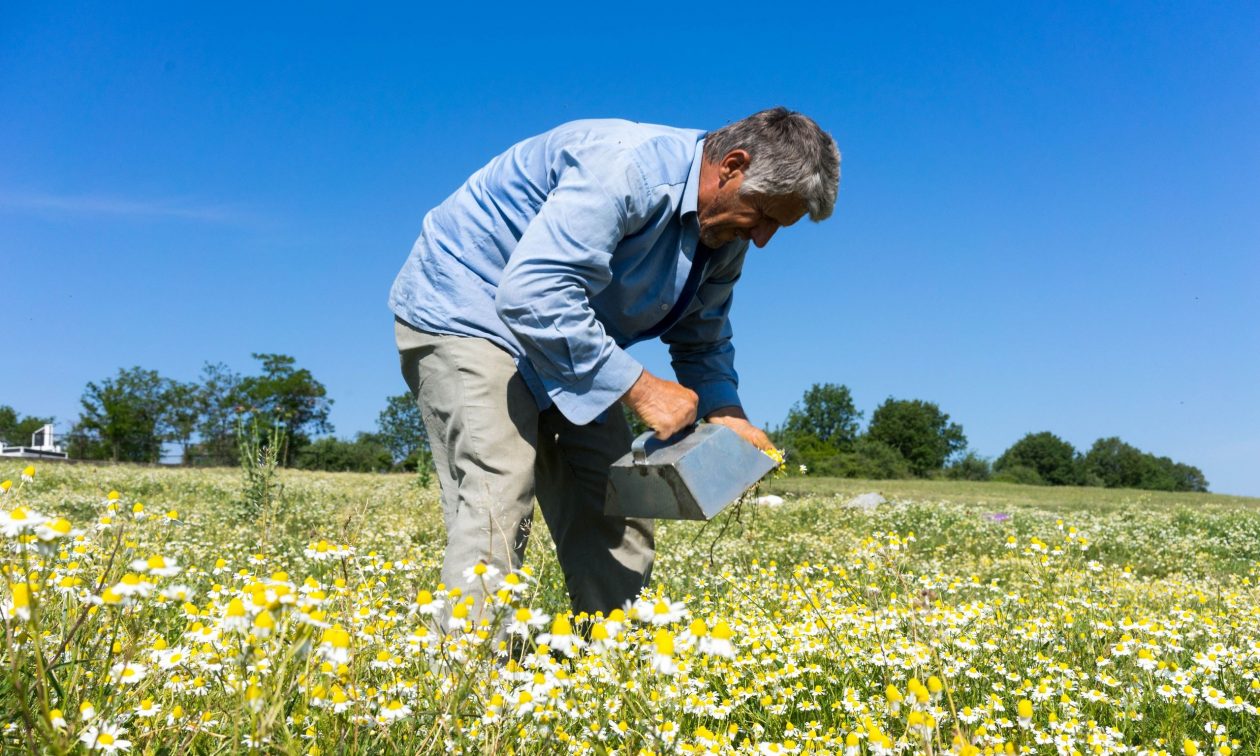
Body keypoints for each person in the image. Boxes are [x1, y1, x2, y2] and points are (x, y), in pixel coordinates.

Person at [389, 107, 840, 626]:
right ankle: (468, 680)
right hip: (469, 309)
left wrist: (726, 411)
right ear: (732, 166)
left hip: (564, 334)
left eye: (777, 228)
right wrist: (644, 390)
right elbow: (533, 293)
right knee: (499, 489)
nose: (762, 238)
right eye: (763, 215)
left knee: (615, 504)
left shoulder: (724, 235)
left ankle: (608, 672)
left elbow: (703, 335)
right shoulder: (627, 169)